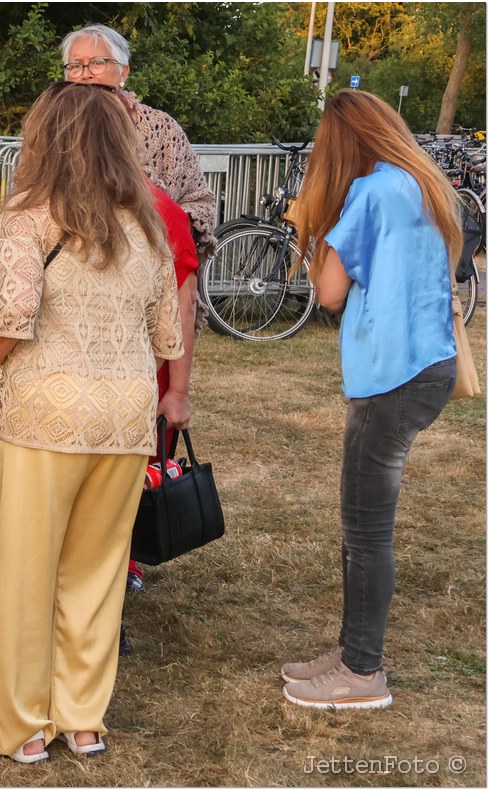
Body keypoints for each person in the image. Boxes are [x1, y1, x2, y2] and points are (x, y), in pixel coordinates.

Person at [0, 80, 182, 763]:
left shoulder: (32, 210)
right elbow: (167, 334)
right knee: (97, 572)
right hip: (124, 413)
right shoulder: (147, 221)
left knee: (28, 572)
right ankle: (83, 719)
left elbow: (13, 313)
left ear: (45, 137)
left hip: (46, 413)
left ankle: (19, 725)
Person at [281, 90, 459, 710]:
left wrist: (316, 226)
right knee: (364, 528)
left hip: (389, 376)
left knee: (365, 529)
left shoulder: (370, 193)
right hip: (427, 366)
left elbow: (329, 292)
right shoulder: (420, 184)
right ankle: (353, 651)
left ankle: (362, 673)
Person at [62, 22, 210, 596]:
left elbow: (198, 205)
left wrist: (157, 226)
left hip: (149, 310)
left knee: (140, 440)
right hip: (76, 319)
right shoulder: (57, 127)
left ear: (123, 71)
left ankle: (123, 555)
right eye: (74, 67)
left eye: (94, 64)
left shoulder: (158, 129)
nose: (83, 76)